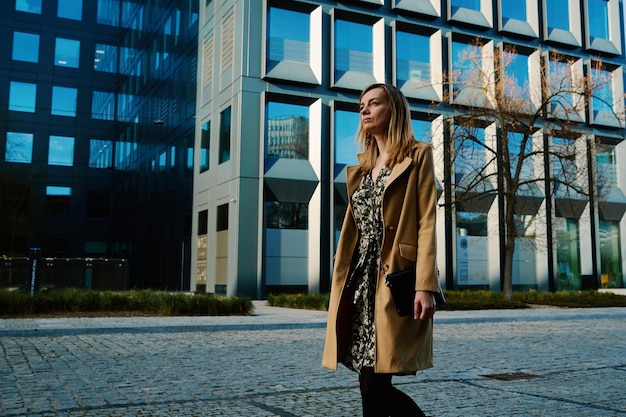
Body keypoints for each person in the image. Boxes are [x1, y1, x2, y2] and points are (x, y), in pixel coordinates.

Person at [322, 83, 439, 417]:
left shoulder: (418, 156)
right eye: (362, 105)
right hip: (359, 282)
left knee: (375, 383)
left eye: (374, 103)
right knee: (368, 381)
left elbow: (427, 222)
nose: (364, 109)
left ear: (394, 110)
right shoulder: (362, 168)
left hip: (392, 280)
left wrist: (425, 284)